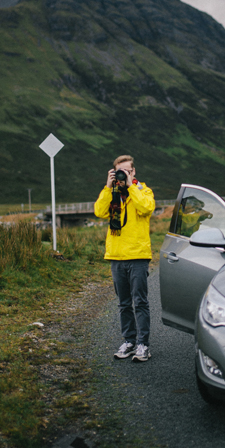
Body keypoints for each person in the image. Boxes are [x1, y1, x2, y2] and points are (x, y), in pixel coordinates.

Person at [93, 155, 156, 362]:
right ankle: (129, 341)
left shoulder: (143, 191)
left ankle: (143, 344)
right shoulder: (111, 193)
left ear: (133, 171)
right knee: (124, 303)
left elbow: (146, 207)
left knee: (140, 302)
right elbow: (99, 211)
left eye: (127, 171)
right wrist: (107, 186)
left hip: (138, 255)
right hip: (117, 255)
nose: (123, 175)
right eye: (120, 172)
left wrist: (130, 187)